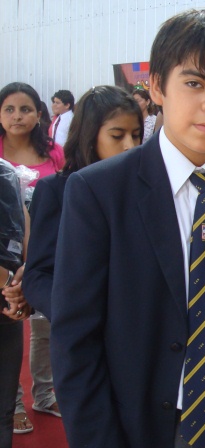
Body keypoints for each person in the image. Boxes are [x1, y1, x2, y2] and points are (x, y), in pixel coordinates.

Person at [50, 9, 205, 448]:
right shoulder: (99, 192)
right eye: (196, 84)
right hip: (130, 437)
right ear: (157, 87)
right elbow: (75, 340)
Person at [23, 85, 143, 326]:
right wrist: (74, 316)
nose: (130, 145)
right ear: (89, 135)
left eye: (137, 134)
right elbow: (38, 276)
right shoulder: (56, 190)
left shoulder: (146, 190)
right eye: (117, 136)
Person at [0, 81, 65, 434]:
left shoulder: (53, 152)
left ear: (39, 114)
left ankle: (44, 393)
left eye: (25, 109)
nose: (17, 116)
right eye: (9, 109)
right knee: (9, 327)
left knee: (43, 326)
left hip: (44, 249)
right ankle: (12, 402)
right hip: (5, 257)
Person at [0, 159, 30, 448]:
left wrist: (21, 280)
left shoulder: (5, 172)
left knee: (3, 413)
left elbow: (22, 229)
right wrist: (15, 284)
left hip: (6, 306)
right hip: (8, 298)